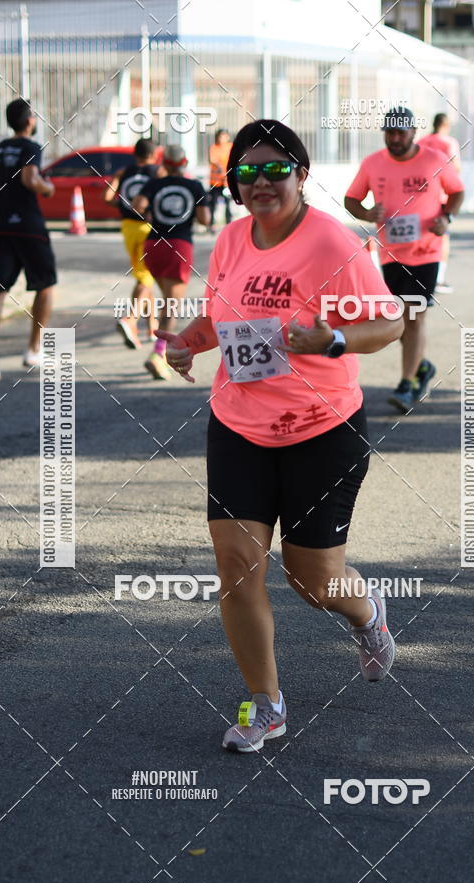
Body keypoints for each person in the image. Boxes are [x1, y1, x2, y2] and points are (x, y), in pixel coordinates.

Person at [156, 120, 404, 753]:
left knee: (313, 580)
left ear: (301, 173)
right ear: (234, 184)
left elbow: (391, 321)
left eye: (275, 169)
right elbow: (221, 316)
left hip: (323, 429)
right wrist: (187, 341)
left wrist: (334, 339)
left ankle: (367, 615)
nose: (260, 182)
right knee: (237, 568)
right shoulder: (234, 239)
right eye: (246, 172)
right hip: (239, 423)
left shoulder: (333, 243)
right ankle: (265, 705)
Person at [345, 107, 464, 413]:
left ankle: (407, 384)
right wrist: (367, 214)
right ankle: (421, 366)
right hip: (390, 252)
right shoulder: (373, 163)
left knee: (415, 315)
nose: (395, 138)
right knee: (401, 320)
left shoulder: (434, 160)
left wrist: (445, 217)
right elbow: (351, 199)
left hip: (427, 250)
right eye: (390, 133)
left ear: (413, 132)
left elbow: (457, 191)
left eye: (401, 132)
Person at [0, 98, 56, 381]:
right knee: (45, 285)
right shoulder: (30, 147)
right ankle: (33, 350)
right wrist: (48, 189)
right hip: (28, 226)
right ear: (30, 121)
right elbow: (30, 179)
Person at [132, 145, 210, 380]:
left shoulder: (154, 184)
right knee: (172, 305)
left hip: (153, 245)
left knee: (166, 299)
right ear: (184, 162)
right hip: (179, 244)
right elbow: (205, 219)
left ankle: (156, 349)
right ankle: (158, 355)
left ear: (164, 163)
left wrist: (150, 215)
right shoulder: (194, 185)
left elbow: (137, 205)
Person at [104, 138, 159, 349]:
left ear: (135, 155)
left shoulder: (123, 172)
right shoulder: (157, 171)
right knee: (146, 277)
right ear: (154, 155)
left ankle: (152, 327)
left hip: (128, 227)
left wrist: (122, 204)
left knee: (144, 275)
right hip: (149, 226)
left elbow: (107, 196)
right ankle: (130, 320)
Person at [418, 113, 462, 294]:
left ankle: (418, 275)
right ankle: (439, 279)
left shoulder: (421, 141)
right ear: (445, 125)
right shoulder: (448, 142)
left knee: (420, 234)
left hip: (419, 195)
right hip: (442, 196)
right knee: (442, 237)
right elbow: (455, 167)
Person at [208, 129, 233, 233]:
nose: (221, 138)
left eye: (223, 136)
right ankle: (211, 225)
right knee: (213, 203)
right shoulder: (214, 148)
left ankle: (229, 225)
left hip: (227, 181)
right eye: (219, 136)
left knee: (228, 203)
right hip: (216, 182)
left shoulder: (231, 147)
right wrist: (221, 169)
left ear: (227, 137)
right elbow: (212, 160)